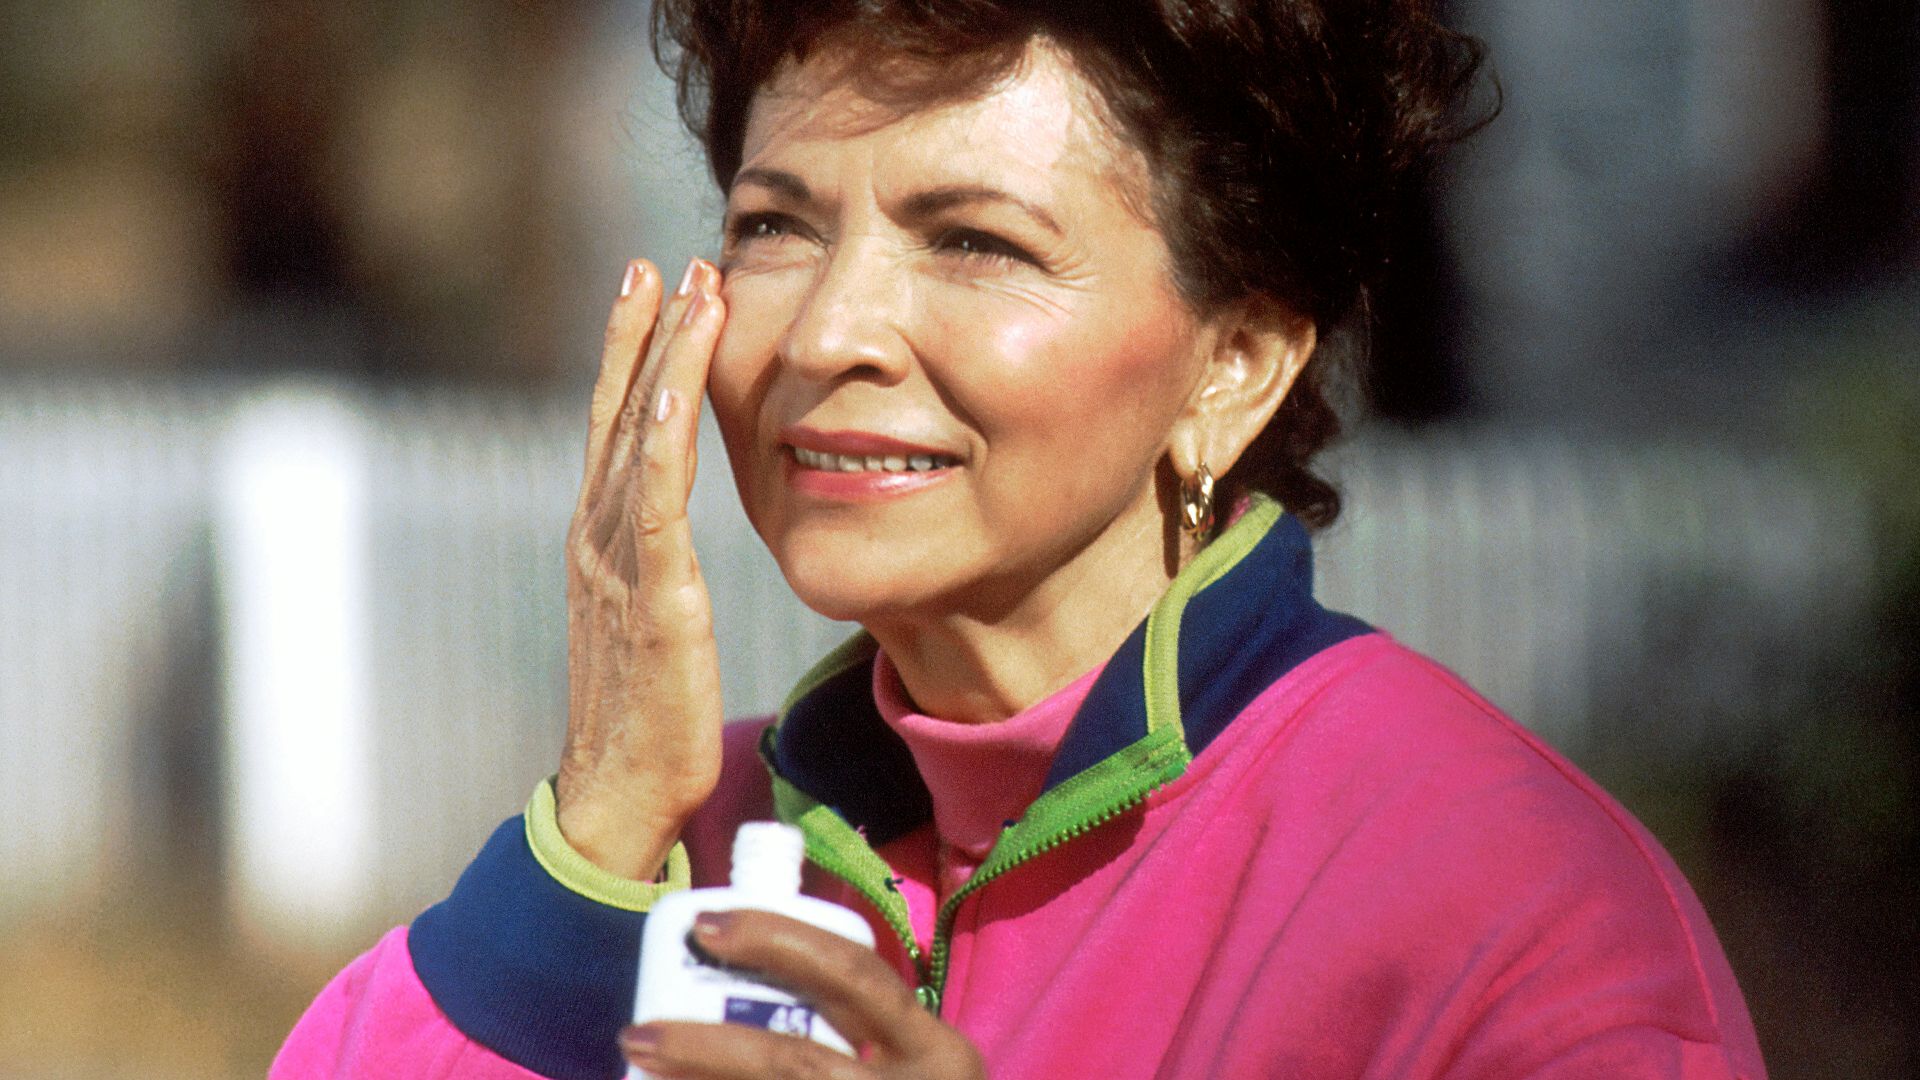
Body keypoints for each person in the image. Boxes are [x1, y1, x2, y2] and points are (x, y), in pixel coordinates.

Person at [274, 2, 1768, 1078]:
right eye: (777, 224)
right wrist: (595, 840)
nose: (834, 331)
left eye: (975, 241)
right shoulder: (672, 838)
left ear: (1235, 361)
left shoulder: (1512, 925)